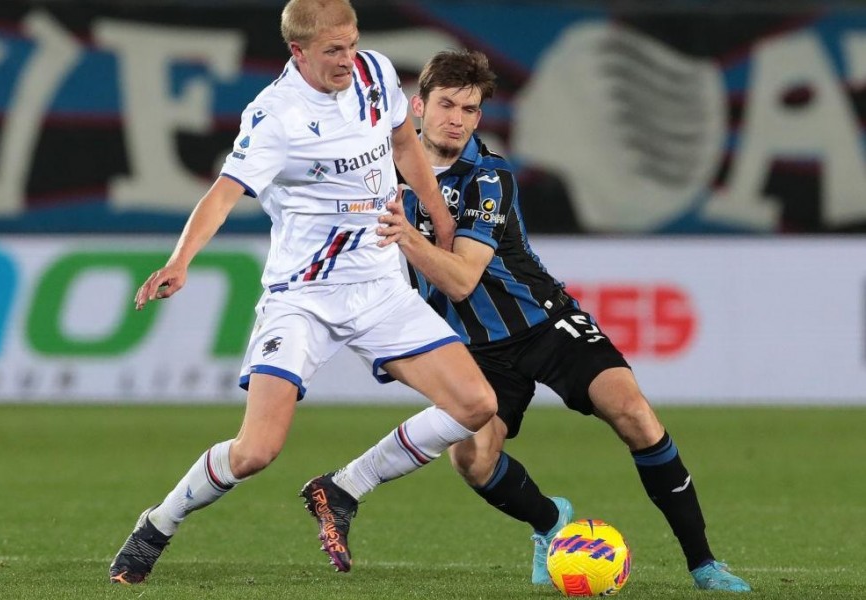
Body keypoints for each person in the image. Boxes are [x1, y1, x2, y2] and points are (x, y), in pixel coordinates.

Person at [315, 49, 752, 592]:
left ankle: (703, 564)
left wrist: (407, 235)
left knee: (634, 413)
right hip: (471, 347)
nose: (457, 119)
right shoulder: (378, 169)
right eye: (447, 104)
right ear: (417, 107)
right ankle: (551, 523)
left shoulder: (488, 177)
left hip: (544, 323)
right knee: (471, 461)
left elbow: (462, 280)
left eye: (470, 110)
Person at [108, 2, 497, 584]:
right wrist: (179, 260)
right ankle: (160, 522)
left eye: (352, 43)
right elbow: (222, 192)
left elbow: (404, 146)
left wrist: (439, 219)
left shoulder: (376, 73)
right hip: (303, 297)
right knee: (256, 450)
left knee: (475, 406)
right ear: (299, 51)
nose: (348, 59)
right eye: (333, 51)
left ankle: (343, 488)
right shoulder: (276, 115)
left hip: (379, 286)